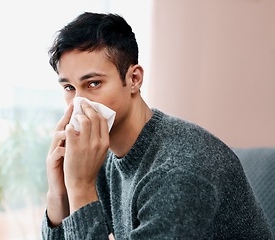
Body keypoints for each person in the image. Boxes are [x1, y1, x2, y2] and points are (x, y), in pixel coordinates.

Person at [41, 12, 273, 239]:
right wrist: (59, 193)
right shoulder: (102, 154)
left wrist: (81, 187)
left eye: (93, 83)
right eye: (69, 88)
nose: (80, 103)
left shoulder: (180, 168)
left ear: (134, 79)